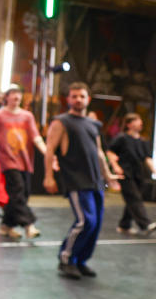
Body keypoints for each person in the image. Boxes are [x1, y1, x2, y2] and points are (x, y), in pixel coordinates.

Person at [44, 82, 120, 279]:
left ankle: (80, 260)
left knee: (96, 224)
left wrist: (108, 175)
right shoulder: (61, 122)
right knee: (86, 221)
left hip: (96, 181)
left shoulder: (93, 124)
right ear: (68, 99)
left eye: (82, 96)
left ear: (88, 99)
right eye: (74, 96)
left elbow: (99, 153)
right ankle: (66, 259)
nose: (78, 99)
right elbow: (50, 150)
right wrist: (49, 176)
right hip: (77, 181)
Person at [0, 84, 45, 240]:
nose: (16, 97)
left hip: (25, 161)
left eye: (19, 94)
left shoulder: (27, 116)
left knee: (21, 195)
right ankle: (29, 225)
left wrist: (47, 153)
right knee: (17, 190)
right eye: (13, 94)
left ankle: (6, 225)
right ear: (7, 97)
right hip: (8, 161)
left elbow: (36, 137)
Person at [106, 113, 156, 236]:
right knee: (134, 198)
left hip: (139, 174)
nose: (140, 122)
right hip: (125, 173)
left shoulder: (142, 141)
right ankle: (145, 224)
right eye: (137, 120)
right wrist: (116, 166)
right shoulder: (122, 138)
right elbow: (110, 152)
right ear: (129, 124)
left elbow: (147, 158)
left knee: (132, 200)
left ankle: (124, 225)